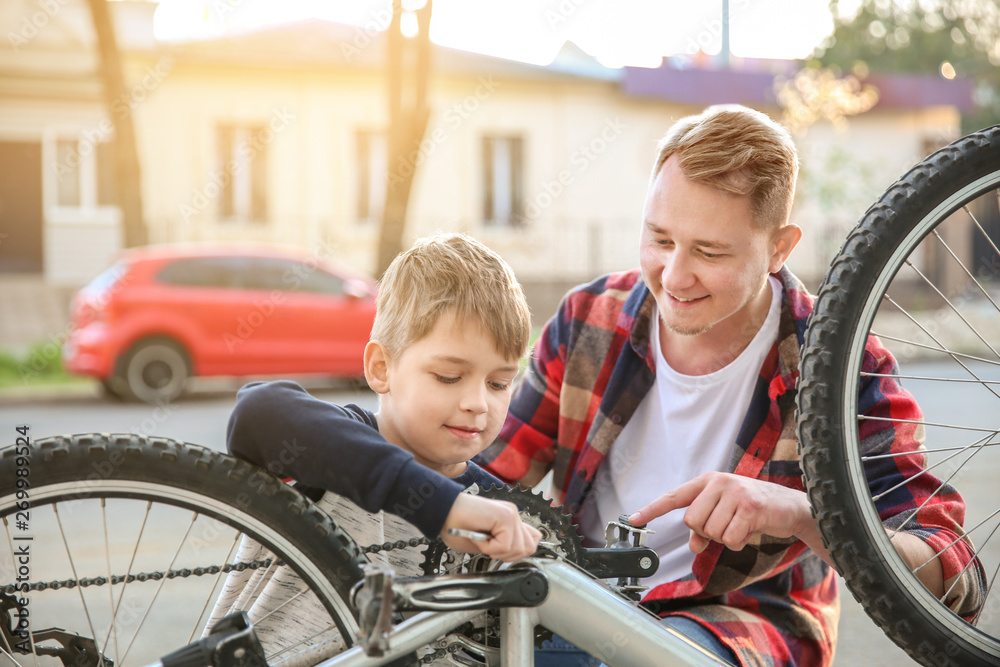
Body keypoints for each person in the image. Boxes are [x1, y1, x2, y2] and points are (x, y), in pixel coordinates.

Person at [476, 104, 984, 666]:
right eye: (660, 239)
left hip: (742, 622)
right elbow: (487, 474)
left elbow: (952, 571)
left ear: (778, 249)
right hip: (578, 599)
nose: (673, 277)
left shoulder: (841, 364)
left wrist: (801, 513)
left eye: (709, 251)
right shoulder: (587, 318)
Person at [206, 233, 542, 663]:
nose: (478, 402)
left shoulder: (496, 508)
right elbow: (259, 411)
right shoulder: (333, 451)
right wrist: (441, 506)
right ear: (381, 369)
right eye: (448, 376)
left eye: (499, 383)